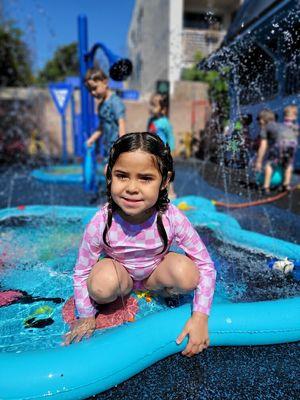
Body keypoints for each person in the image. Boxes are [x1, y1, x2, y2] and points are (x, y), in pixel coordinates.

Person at [65, 132, 216, 357]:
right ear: (109, 175)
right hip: (120, 278)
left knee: (188, 274)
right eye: (122, 176)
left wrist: (200, 316)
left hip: (154, 276)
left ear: (164, 181)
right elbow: (81, 272)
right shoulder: (102, 221)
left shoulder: (170, 218)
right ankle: (113, 296)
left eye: (145, 178)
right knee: (100, 284)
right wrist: (86, 315)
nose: (132, 188)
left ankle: (161, 293)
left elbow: (205, 265)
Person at [85, 67, 126, 158]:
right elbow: (101, 127)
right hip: (108, 148)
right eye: (90, 90)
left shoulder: (115, 102)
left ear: (105, 82)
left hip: (117, 148)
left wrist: (122, 145)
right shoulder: (101, 105)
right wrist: (92, 139)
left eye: (94, 88)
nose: (93, 93)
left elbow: (121, 123)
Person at [255, 106, 298, 193]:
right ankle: (286, 185)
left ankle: (266, 187)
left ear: (262, 120)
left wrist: (259, 161)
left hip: (280, 144)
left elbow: (263, 146)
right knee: (288, 165)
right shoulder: (281, 125)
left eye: (259, 122)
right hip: (292, 144)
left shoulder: (265, 128)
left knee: (269, 165)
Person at [147, 93, 177, 198]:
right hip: (153, 151)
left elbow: (170, 136)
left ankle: (171, 192)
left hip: (163, 151)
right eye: (150, 104)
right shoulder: (150, 121)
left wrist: (172, 150)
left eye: (154, 105)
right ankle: (157, 191)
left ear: (162, 108)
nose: (151, 108)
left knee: (166, 171)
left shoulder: (164, 122)